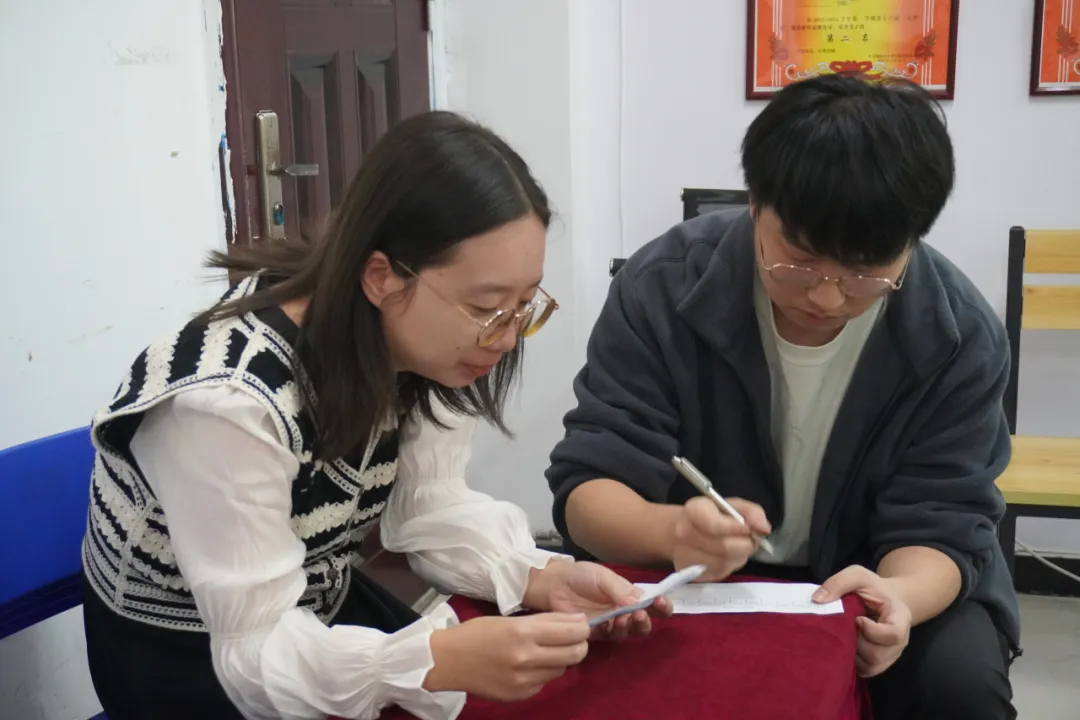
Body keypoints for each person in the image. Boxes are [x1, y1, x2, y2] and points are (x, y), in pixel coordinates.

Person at [81, 111, 670, 720]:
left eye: (525, 303)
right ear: (381, 277)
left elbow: (428, 506)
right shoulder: (228, 405)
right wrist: (433, 661)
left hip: (313, 609)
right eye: (486, 307)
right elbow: (255, 654)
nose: (506, 336)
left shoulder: (415, 347)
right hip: (189, 660)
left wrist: (538, 577)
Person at [547, 74, 1019, 720]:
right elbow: (590, 487)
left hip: (871, 574)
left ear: (912, 241)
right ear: (754, 206)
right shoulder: (662, 288)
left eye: (864, 273)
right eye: (798, 261)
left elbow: (944, 516)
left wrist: (900, 597)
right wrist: (672, 531)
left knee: (960, 688)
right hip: (693, 577)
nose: (826, 297)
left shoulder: (956, 334)